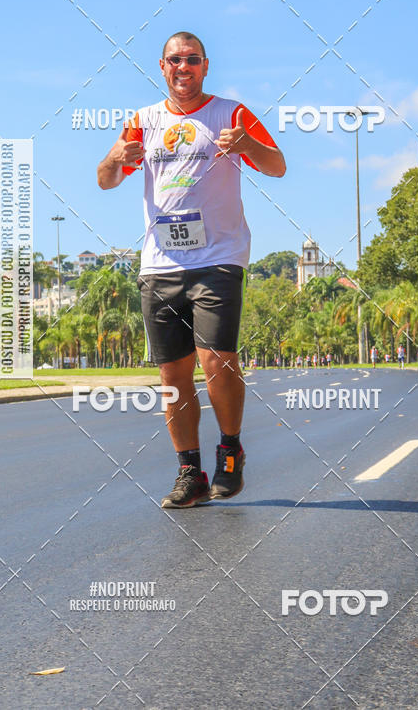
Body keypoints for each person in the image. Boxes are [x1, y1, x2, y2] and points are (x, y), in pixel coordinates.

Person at [97, 32, 285, 508]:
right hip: (160, 263)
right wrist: (116, 158)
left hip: (218, 257)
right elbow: (105, 180)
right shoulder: (143, 121)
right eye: (175, 60)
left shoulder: (231, 114)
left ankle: (230, 449)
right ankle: (189, 472)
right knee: (172, 375)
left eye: (193, 59)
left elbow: (277, 166)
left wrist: (247, 144)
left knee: (215, 360)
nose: (184, 67)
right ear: (162, 66)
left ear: (206, 65)